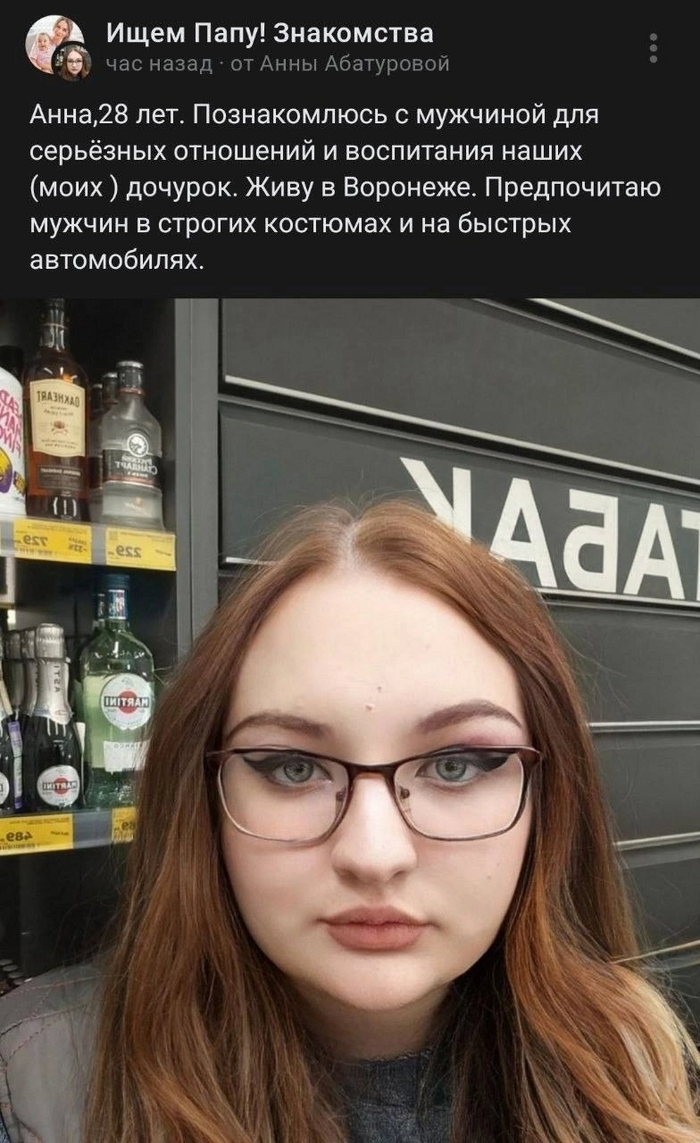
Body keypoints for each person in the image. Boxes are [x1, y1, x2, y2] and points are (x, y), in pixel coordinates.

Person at [0, 499, 698, 1143]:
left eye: (456, 764)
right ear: (202, 799)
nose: (373, 854)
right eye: (291, 767)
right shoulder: (33, 1084)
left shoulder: (629, 1060)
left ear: (549, 800)